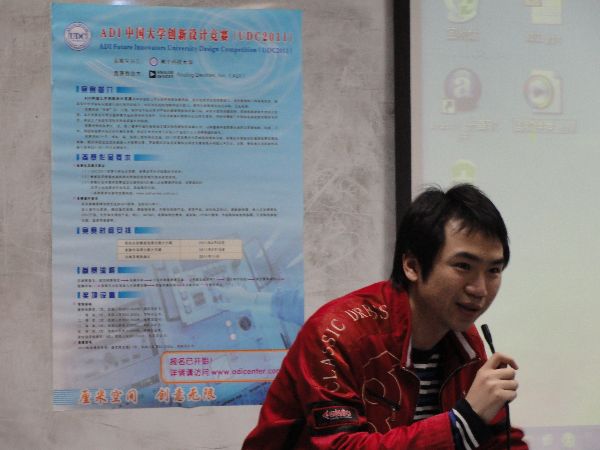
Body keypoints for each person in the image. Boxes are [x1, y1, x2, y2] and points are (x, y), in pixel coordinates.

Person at [242, 184, 528, 449]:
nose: (480, 289)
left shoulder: (464, 339)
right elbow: (341, 446)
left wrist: (473, 422)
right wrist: (461, 423)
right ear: (412, 265)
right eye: (463, 266)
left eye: (494, 270)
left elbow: (495, 437)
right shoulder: (336, 335)